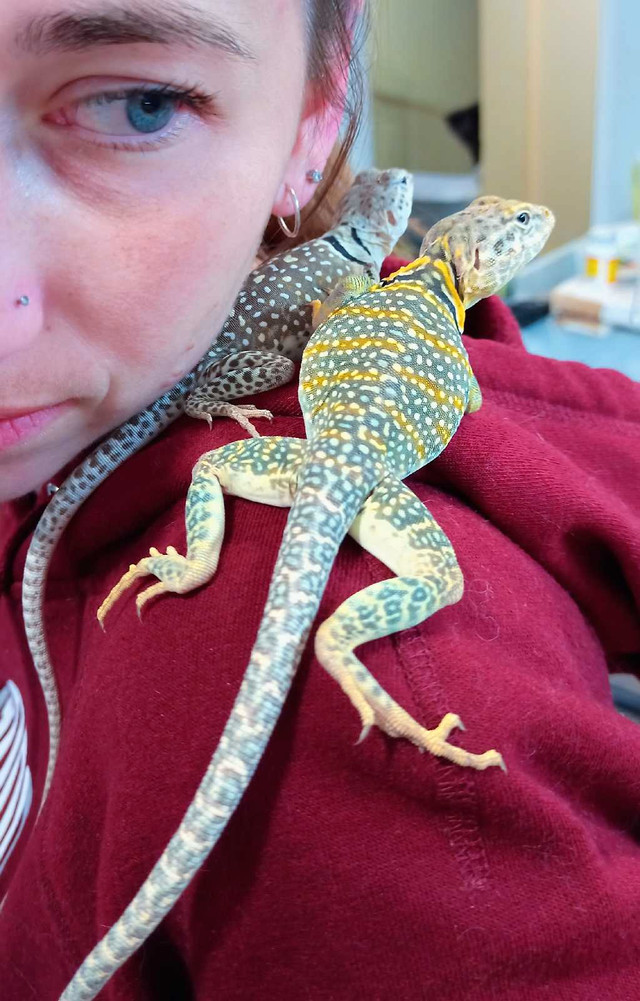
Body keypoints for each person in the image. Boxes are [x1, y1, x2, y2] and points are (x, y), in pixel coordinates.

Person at [1, 2, 639, 998]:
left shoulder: (400, 757)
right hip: (358, 477)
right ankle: (352, 652)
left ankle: (340, 656)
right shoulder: (403, 325)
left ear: (315, 120)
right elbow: (460, 391)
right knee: (416, 571)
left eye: (141, 103)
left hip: (320, 471)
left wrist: (195, 566)